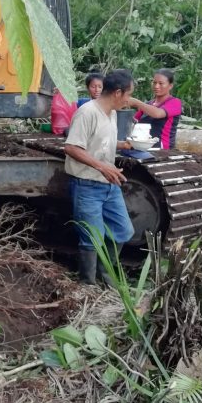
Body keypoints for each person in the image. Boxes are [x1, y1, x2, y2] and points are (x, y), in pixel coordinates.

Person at [64, 70, 135, 284]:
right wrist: (102, 167)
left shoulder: (112, 113)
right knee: (91, 238)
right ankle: (88, 284)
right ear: (117, 92)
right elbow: (71, 147)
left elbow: (100, 142)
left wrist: (123, 145)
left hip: (109, 185)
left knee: (123, 230)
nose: (129, 100)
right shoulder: (87, 112)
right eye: (128, 95)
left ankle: (105, 277)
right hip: (86, 185)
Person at [129, 69, 182, 149]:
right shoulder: (147, 105)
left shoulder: (175, 103)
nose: (156, 86)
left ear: (170, 86)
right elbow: (134, 121)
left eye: (161, 83)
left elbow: (158, 114)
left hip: (162, 150)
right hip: (143, 147)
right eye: (154, 83)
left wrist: (136, 102)